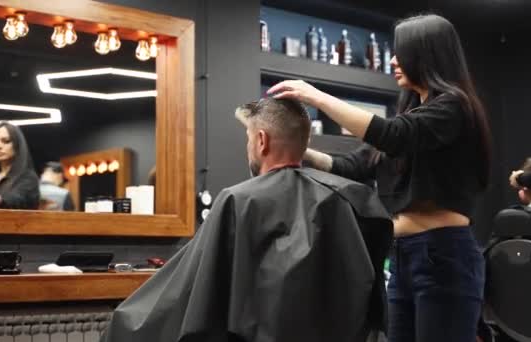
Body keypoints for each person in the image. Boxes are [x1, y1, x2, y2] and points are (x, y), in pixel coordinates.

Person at [267, 14, 492, 342]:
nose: (395, 60)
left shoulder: (455, 108)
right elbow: (348, 167)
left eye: (403, 52)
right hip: (401, 255)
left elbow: (392, 135)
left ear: (427, 54)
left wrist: (316, 97)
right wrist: (294, 150)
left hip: (444, 256)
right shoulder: (410, 119)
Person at [101, 98, 393, 342]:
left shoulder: (237, 200)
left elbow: (191, 301)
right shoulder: (351, 198)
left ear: (261, 141)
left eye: (249, 138)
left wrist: (122, 323)